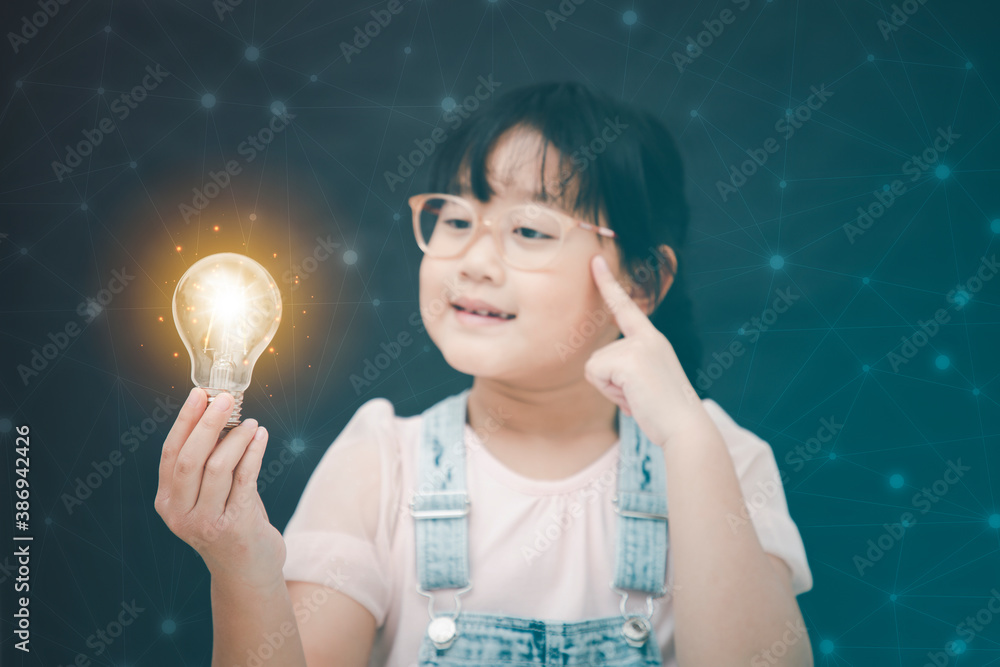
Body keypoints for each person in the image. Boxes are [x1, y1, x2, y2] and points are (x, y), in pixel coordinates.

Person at [155, 81, 813, 666]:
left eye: (529, 229)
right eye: (457, 217)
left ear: (642, 281)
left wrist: (689, 439)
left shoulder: (721, 458)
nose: (474, 260)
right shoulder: (381, 464)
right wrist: (243, 567)